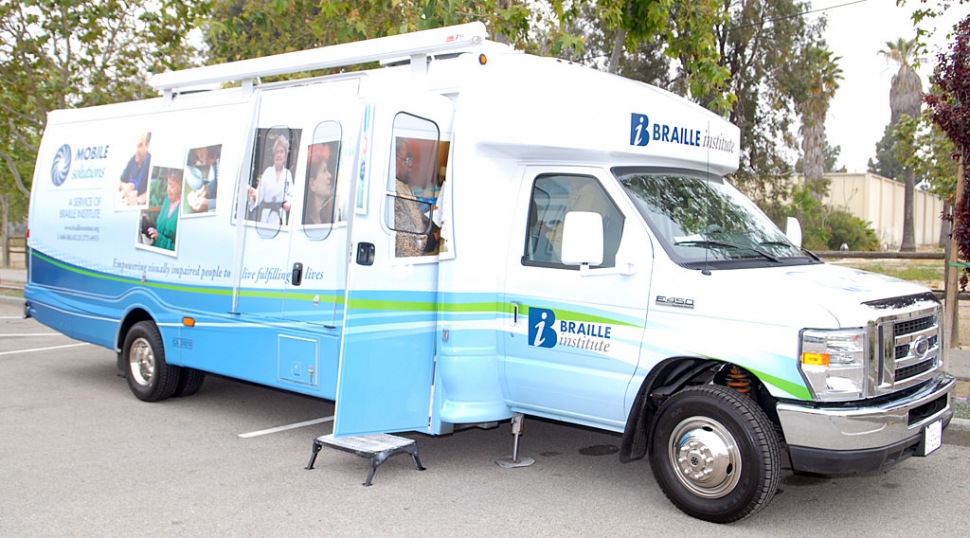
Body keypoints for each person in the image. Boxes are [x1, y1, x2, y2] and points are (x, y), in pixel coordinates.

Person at [393, 138, 427, 257]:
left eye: (411, 159)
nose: (411, 164)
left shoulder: (404, 186)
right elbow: (408, 248)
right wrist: (433, 238)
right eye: (407, 159)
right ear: (393, 159)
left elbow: (414, 218)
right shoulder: (393, 192)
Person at [248, 136, 293, 224]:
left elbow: (291, 195)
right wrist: (254, 196)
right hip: (266, 216)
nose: (279, 155)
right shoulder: (267, 172)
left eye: (281, 152)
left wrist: (288, 202)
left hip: (280, 215)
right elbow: (259, 193)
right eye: (277, 152)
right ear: (274, 155)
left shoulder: (288, 174)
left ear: (285, 156)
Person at [146, 170, 181, 251]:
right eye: (168, 184)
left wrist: (159, 239)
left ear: (180, 189)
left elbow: (177, 250)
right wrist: (149, 223)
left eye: (172, 186)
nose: (167, 189)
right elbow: (160, 228)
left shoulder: (182, 210)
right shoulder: (167, 200)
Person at [304, 143, 337, 225]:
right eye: (324, 171)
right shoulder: (307, 222)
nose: (329, 175)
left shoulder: (326, 217)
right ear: (312, 185)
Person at [119, 133, 151, 206]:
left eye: (140, 146)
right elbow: (120, 182)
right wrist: (124, 186)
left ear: (147, 146)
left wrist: (137, 200)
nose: (136, 150)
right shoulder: (132, 160)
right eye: (136, 146)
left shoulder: (151, 162)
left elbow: (152, 192)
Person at [186, 145, 219, 213]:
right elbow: (219, 182)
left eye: (200, 156)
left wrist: (209, 204)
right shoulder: (215, 159)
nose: (203, 161)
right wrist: (207, 189)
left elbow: (236, 201)